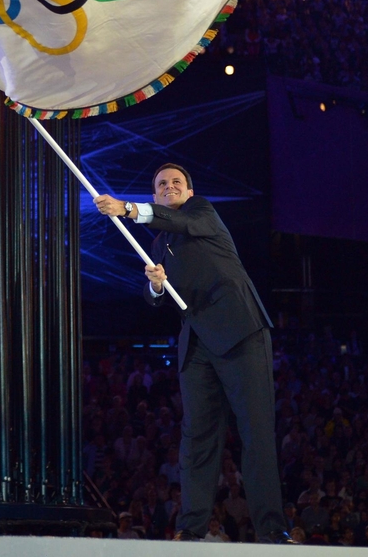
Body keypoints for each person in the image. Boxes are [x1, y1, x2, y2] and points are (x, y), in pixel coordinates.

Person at [94, 163, 291, 544]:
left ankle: (272, 529)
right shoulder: (157, 244)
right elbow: (157, 301)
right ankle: (190, 528)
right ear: (156, 194)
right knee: (197, 438)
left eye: (176, 183)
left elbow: (178, 222)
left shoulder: (202, 213)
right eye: (162, 185)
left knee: (256, 433)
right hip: (197, 342)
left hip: (239, 332)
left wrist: (129, 209)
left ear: (188, 192)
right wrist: (156, 287)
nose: (169, 187)